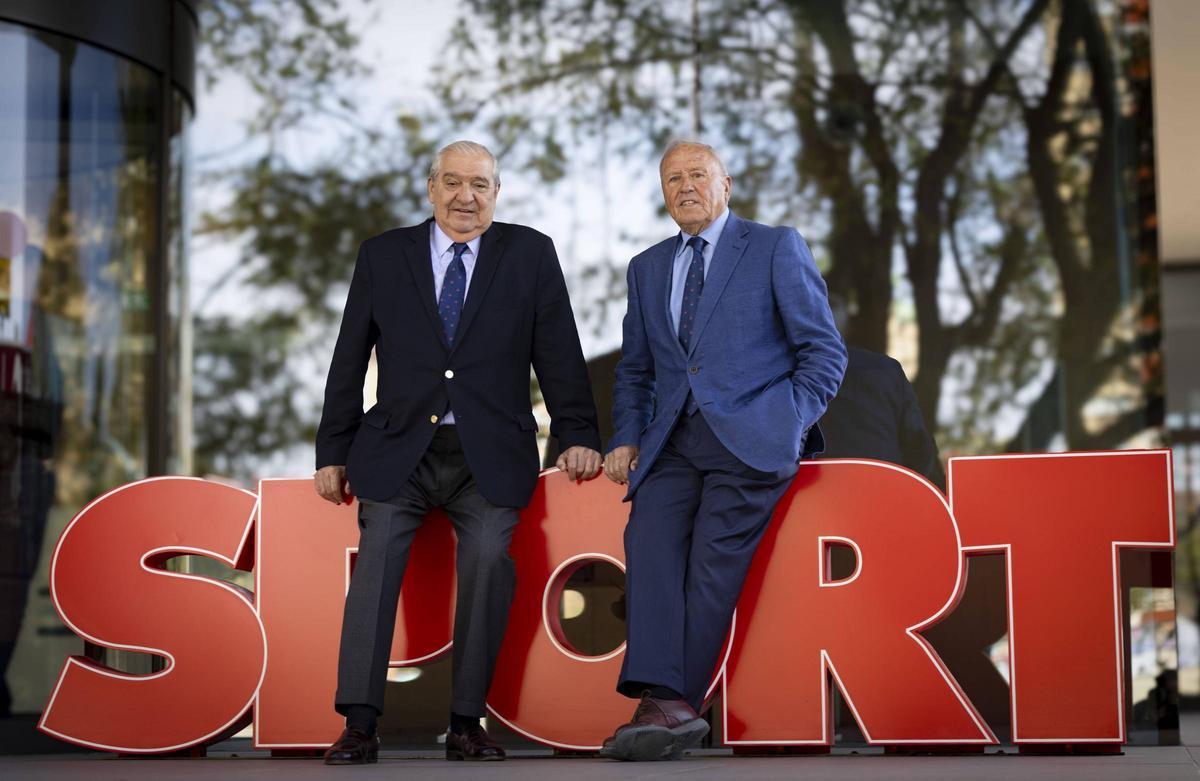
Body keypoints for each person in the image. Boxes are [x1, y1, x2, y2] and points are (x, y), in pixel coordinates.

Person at [314, 140, 602, 764]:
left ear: (496, 193)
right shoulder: (384, 255)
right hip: (398, 451)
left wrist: (576, 434)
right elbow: (348, 357)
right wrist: (332, 449)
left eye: (479, 185)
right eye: (451, 183)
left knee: (488, 566)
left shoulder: (530, 253)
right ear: (430, 187)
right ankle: (359, 724)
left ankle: (467, 722)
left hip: (489, 454)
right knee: (375, 570)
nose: (464, 197)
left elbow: (558, 351)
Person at [600, 140, 846, 761]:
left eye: (698, 175)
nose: (686, 186)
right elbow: (635, 370)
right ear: (663, 192)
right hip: (672, 445)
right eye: (673, 178)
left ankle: (664, 700)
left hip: (751, 441)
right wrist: (626, 435)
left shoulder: (773, 246)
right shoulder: (647, 266)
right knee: (648, 544)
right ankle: (671, 704)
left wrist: (786, 420)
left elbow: (824, 353)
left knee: (711, 565)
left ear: (726, 184)